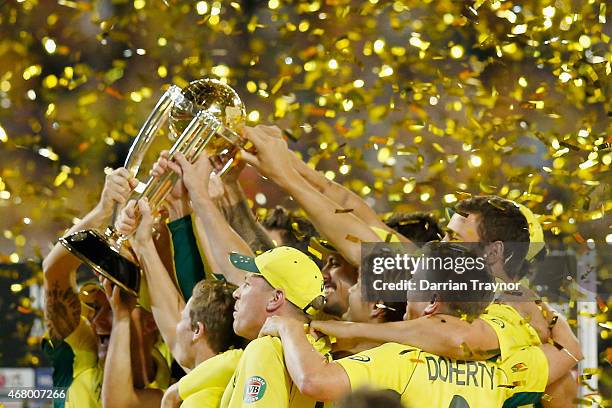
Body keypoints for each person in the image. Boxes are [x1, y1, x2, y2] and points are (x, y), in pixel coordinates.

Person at [259, 243, 578, 406]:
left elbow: (315, 382)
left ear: (432, 302)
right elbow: (571, 351)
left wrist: (286, 326)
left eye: (413, 283)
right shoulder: (505, 371)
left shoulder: (401, 359)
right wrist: (542, 309)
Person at [42, 168, 167, 408]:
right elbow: (53, 270)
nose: (96, 321)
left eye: (112, 304)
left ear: (151, 322)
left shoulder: (174, 373)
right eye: (96, 308)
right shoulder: (80, 355)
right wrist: (103, 211)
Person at [117, 197, 244, 407]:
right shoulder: (227, 373)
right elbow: (170, 318)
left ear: (197, 330)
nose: (176, 326)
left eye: (183, 317)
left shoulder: (202, 399)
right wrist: (143, 245)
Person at [218, 246, 329, 408]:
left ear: (275, 298)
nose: (236, 293)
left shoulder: (268, 348)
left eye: (247, 284)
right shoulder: (319, 354)